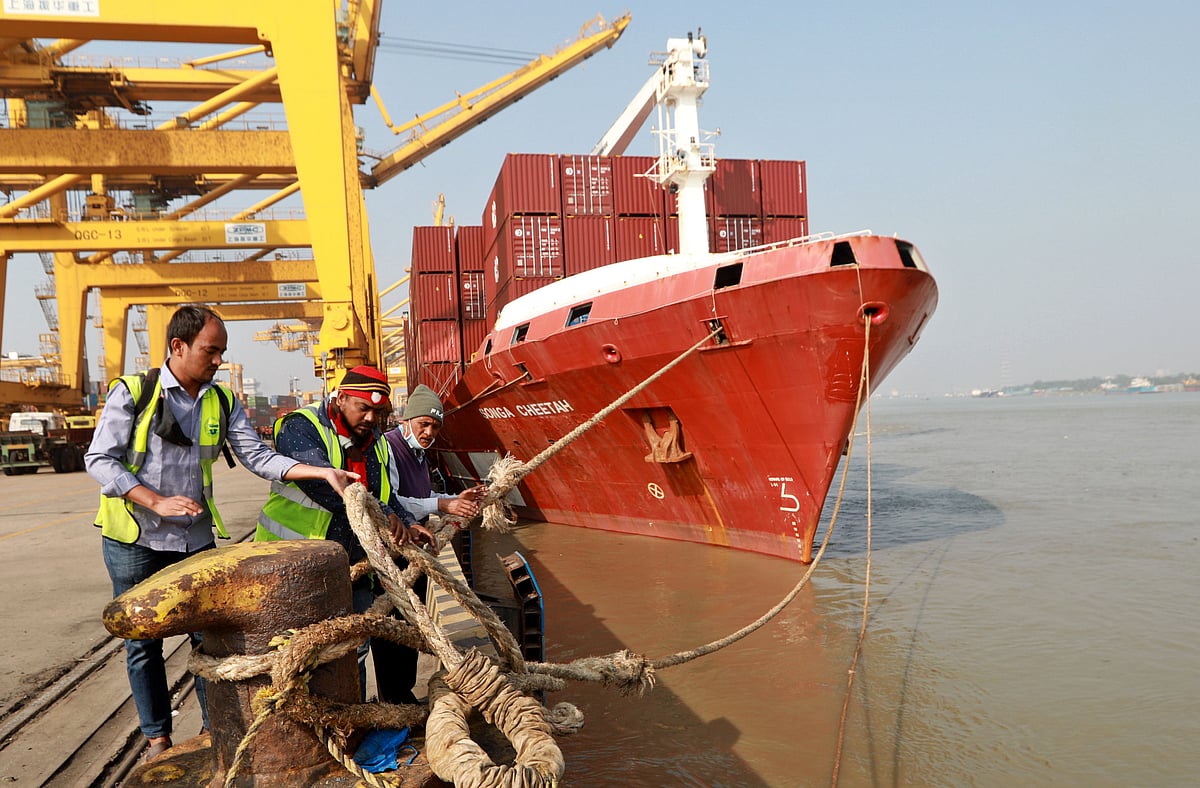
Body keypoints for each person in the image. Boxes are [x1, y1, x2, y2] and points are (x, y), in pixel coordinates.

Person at [86, 305, 359, 763]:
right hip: (134, 539)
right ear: (178, 346)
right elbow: (100, 460)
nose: (218, 361)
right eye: (210, 351)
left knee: (209, 640)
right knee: (142, 644)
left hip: (193, 541)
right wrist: (155, 500)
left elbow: (255, 456)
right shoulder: (135, 393)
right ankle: (158, 740)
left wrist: (318, 471)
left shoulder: (222, 400)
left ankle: (218, 732)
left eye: (221, 353)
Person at [254, 365, 434, 704]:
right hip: (298, 564)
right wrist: (385, 515)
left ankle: (352, 722)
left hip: (352, 562)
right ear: (340, 398)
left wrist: (405, 520)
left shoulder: (376, 440)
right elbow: (327, 490)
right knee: (303, 651)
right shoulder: (301, 427)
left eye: (377, 412)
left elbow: (384, 492)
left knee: (354, 647)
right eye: (362, 408)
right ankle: (312, 721)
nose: (369, 417)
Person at [383, 384, 486, 523]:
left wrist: (456, 499)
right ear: (406, 421)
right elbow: (390, 503)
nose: (429, 433)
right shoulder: (389, 446)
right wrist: (441, 504)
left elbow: (422, 495)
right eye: (423, 424)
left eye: (435, 427)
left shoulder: (419, 452)